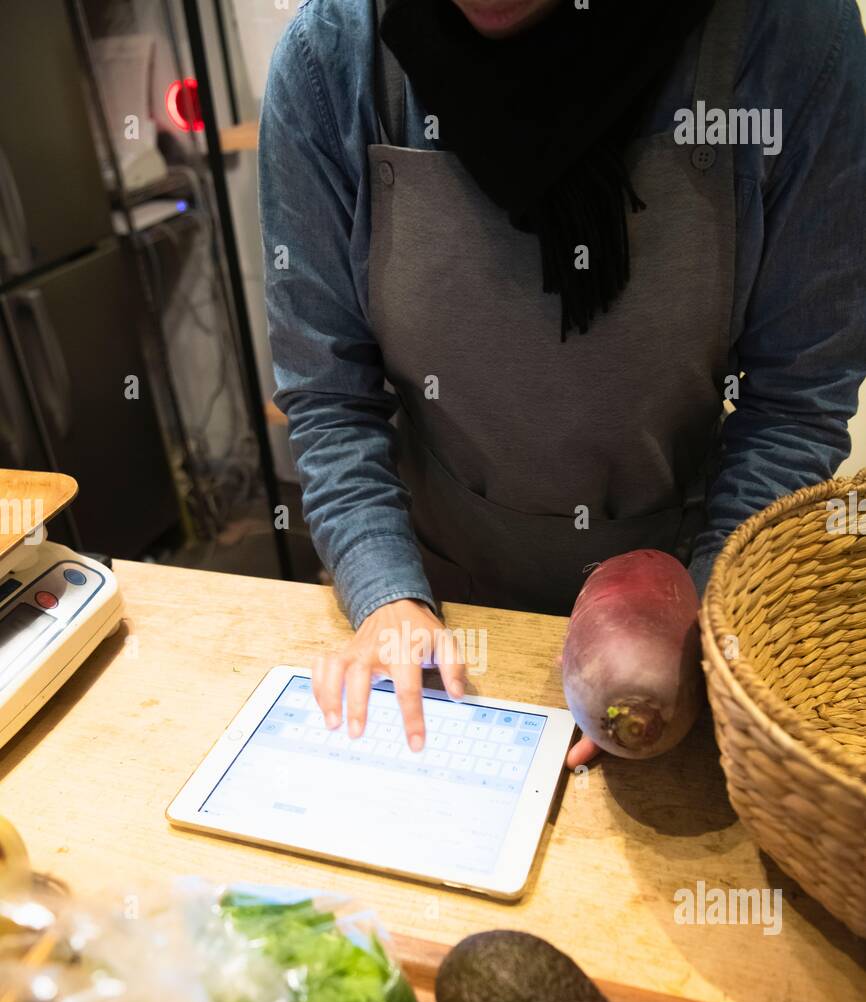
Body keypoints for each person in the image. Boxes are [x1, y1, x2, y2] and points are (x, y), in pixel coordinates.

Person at [259, 0, 866, 765]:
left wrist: (698, 630)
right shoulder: (331, 61)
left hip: (685, 609)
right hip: (442, 610)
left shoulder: (787, 36)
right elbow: (329, 396)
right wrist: (387, 597)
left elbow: (796, 400)